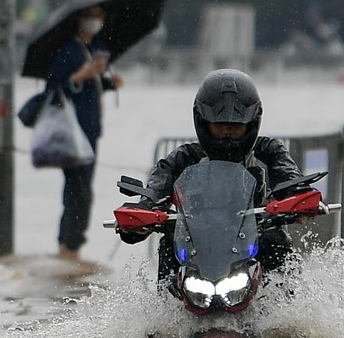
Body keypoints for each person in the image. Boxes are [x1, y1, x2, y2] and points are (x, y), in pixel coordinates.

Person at [120, 69, 304, 288]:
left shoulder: (269, 151)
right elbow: (158, 185)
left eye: (236, 127)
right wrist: (143, 212)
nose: (227, 133)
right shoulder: (184, 157)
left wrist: (300, 198)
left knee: (275, 240)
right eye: (219, 126)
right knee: (169, 243)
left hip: (253, 238)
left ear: (252, 124)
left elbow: (289, 177)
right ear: (203, 123)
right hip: (196, 243)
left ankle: (287, 303)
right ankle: (165, 305)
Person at [46, 4, 124, 261]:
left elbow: (91, 87)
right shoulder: (68, 50)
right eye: (90, 16)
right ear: (79, 18)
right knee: (78, 190)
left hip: (91, 130)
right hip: (72, 131)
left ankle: (71, 245)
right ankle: (69, 246)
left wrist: (108, 83)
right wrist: (80, 75)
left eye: (99, 16)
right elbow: (55, 88)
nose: (95, 21)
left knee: (82, 189)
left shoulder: (95, 49)